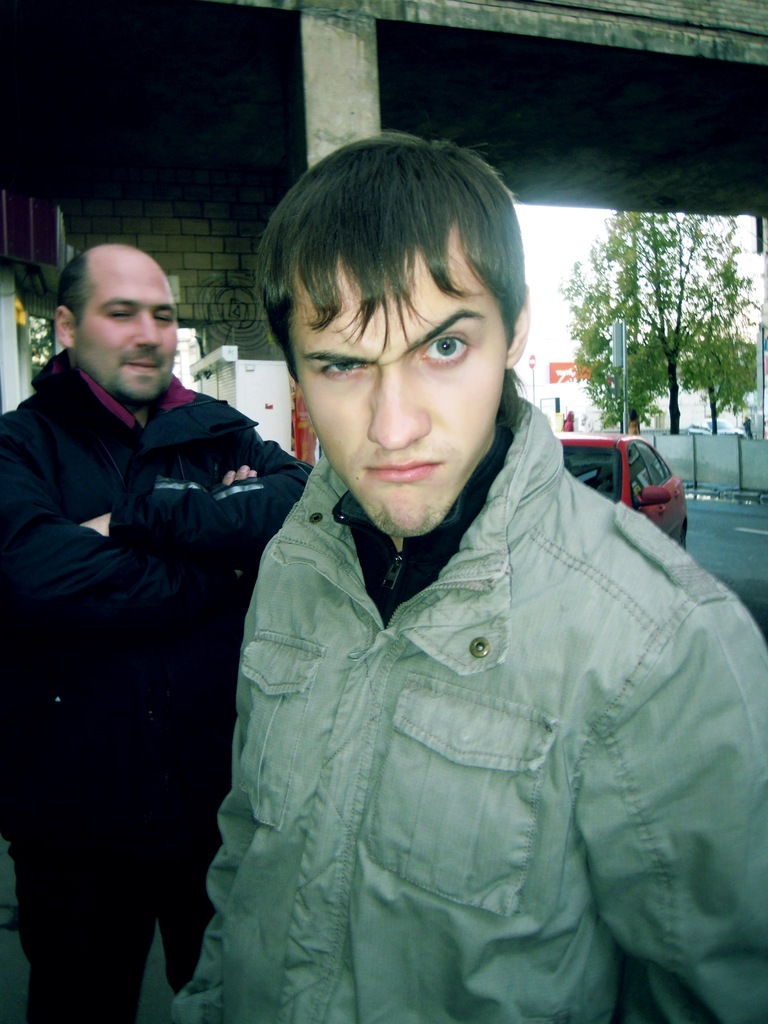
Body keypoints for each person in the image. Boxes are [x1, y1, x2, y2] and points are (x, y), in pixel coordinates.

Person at [173, 135, 768, 1024]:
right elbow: (249, 854)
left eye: (444, 346)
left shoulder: (660, 638)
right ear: (296, 371)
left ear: (516, 331)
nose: (395, 426)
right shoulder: (295, 560)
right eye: (342, 363)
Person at [0, 244, 310, 1024]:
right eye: (121, 313)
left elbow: (302, 504)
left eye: (163, 315)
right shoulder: (19, 446)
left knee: (230, 1004)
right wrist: (221, 564)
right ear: (66, 326)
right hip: (73, 826)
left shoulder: (219, 433)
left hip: (216, 811)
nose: (148, 334)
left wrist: (139, 517)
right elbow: (34, 576)